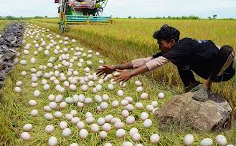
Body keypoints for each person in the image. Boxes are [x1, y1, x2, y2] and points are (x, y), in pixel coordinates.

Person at [97, 24, 235, 102]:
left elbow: (159, 62)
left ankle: (205, 87)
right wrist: (114, 67)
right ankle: (192, 85)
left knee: (226, 50)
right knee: (179, 61)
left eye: (161, 43)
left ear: (172, 42)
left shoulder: (185, 44)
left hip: (223, 69)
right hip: (207, 69)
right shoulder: (176, 52)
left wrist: (131, 74)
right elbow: (147, 60)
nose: (159, 47)